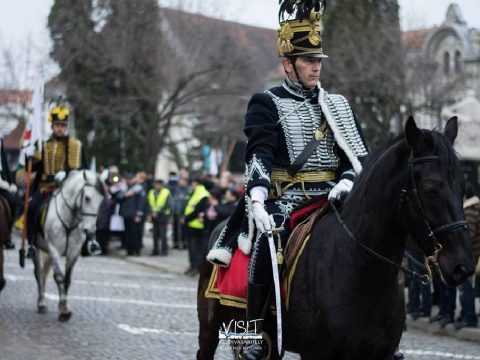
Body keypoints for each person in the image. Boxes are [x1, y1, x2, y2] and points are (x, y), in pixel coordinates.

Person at [206, 1, 370, 358]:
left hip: (335, 198)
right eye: (309, 60)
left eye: (319, 60)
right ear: (288, 64)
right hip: (286, 198)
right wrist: (258, 200)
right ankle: (252, 333)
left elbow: (359, 157)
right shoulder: (266, 102)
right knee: (269, 240)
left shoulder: (339, 105)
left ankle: (377, 332)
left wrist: (346, 181)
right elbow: (259, 155)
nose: (316, 67)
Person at [16, 104, 99, 258]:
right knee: (32, 208)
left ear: (66, 127)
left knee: (88, 209)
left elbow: (84, 169)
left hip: (70, 189)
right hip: (46, 187)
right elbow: (35, 168)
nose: (60, 129)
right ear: (52, 127)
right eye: (57, 126)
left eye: (62, 126)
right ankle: (32, 244)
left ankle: (90, 241)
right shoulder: (44, 146)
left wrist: (68, 173)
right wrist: (29, 155)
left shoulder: (77, 146)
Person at [183, 178, 210, 276]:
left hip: (197, 226)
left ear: (197, 183)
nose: (192, 185)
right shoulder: (195, 192)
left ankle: (196, 267)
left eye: (193, 183)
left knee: (196, 248)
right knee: (191, 248)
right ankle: (192, 266)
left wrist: (186, 219)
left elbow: (197, 210)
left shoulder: (203, 194)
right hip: (191, 224)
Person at [0, 138, 18, 249]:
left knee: (14, 203)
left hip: (1, 183)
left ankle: (7, 235)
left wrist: (11, 182)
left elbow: (4, 163)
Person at [148, 179, 172, 256]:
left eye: (159, 184)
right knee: (155, 235)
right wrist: (152, 212)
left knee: (163, 234)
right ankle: (155, 250)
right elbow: (149, 203)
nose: (157, 186)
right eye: (156, 184)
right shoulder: (151, 192)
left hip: (163, 216)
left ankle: (164, 250)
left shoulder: (166, 192)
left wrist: (157, 212)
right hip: (154, 216)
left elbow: (168, 205)